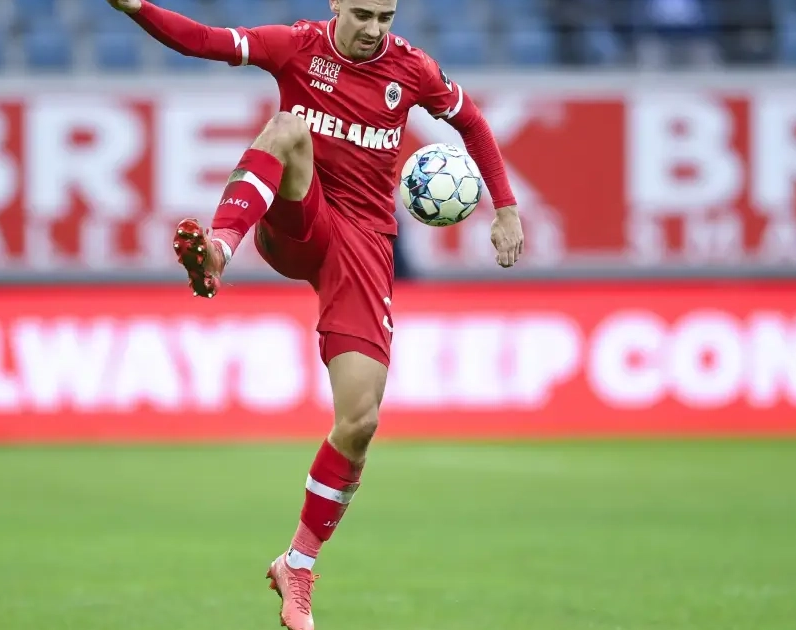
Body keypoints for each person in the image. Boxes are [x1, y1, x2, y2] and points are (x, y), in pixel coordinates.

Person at [104, 1, 526, 628]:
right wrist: (136, 6)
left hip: (363, 245)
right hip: (302, 218)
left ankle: (297, 565)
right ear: (336, 3)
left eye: (385, 16)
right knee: (287, 127)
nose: (374, 29)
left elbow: (472, 123)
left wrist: (506, 207)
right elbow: (204, 41)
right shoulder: (297, 46)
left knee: (359, 422)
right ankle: (219, 251)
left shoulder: (412, 69)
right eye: (363, 13)